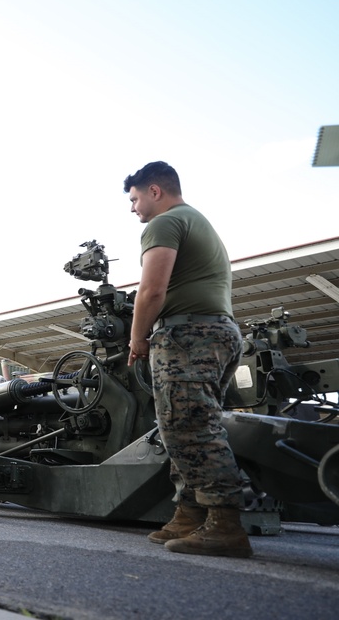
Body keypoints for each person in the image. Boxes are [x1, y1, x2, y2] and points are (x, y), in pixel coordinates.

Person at [124, 161, 251, 558]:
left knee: (192, 427)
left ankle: (225, 523)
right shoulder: (194, 219)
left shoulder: (164, 223)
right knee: (181, 424)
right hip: (212, 332)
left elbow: (152, 290)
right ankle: (190, 513)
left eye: (135, 198)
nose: (133, 208)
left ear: (155, 191)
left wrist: (137, 338)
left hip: (189, 335)